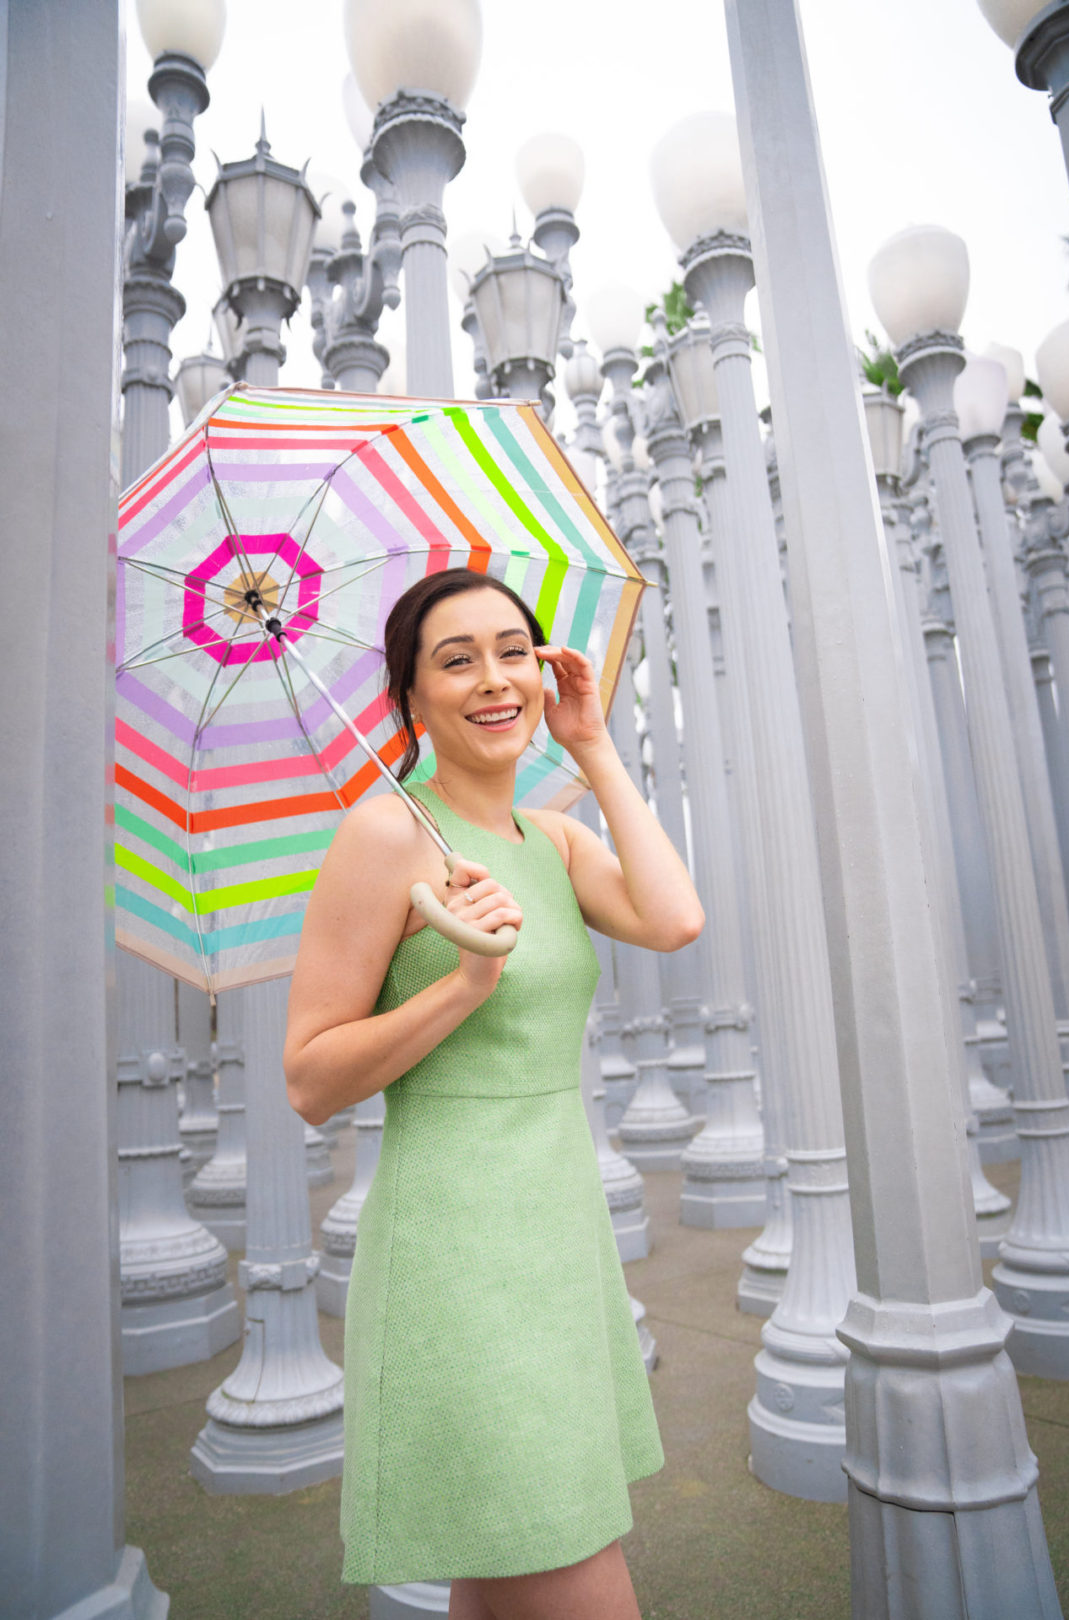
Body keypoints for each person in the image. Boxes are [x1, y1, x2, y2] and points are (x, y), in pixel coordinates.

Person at [284, 567, 704, 1620]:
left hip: (556, 1228)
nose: (494, 678)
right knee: (558, 1549)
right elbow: (310, 1078)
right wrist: (466, 983)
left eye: (512, 650)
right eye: (456, 660)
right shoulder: (384, 835)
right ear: (411, 699)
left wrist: (596, 749)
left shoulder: (557, 839)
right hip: (459, 1246)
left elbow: (673, 919)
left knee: (509, 1557)